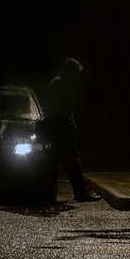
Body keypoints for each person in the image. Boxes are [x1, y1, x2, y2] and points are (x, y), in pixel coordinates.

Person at [46, 57, 97, 201]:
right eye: (75, 74)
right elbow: (62, 110)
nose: (76, 78)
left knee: (67, 162)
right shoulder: (59, 84)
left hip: (61, 128)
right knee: (71, 162)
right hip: (61, 129)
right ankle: (80, 192)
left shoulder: (58, 83)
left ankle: (77, 192)